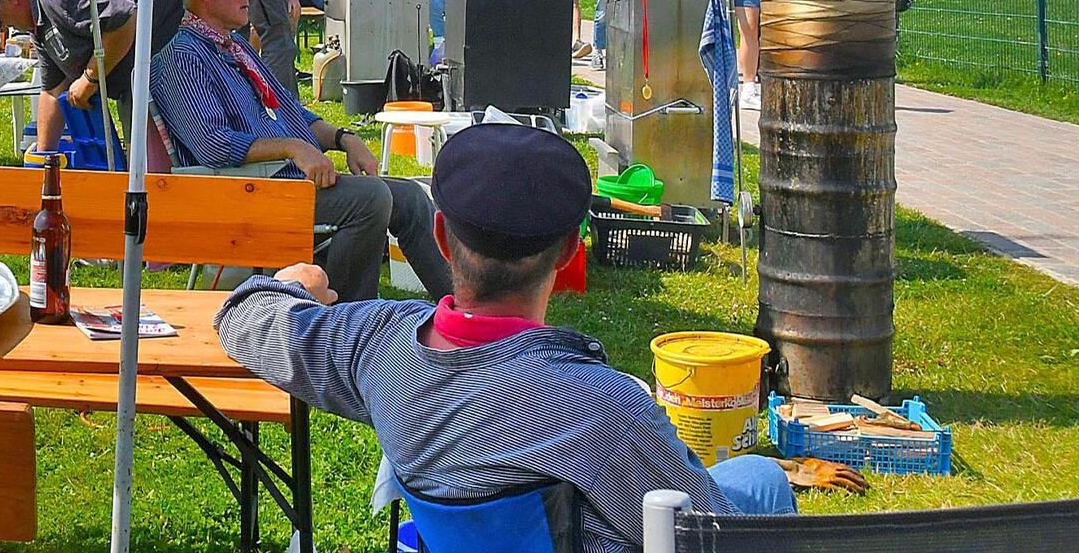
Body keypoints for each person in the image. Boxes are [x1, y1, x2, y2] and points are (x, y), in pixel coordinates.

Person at [216, 123, 864, 552]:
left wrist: (294, 283)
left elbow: (241, 318)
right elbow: (702, 530)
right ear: (565, 254)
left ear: (440, 239)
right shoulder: (606, 408)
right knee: (761, 482)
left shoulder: (376, 346)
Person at [152, 0, 453, 302]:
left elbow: (295, 114)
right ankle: (344, 323)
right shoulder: (182, 58)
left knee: (409, 197)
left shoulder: (236, 48)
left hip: (278, 185)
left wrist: (345, 138)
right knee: (370, 198)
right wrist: (294, 148)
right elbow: (213, 144)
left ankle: (466, 313)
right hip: (239, 196)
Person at [0, 0, 181, 167]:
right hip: (144, 39)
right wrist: (42, 161)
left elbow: (125, 20)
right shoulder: (39, 22)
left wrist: (89, 79)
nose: (3, 28)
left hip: (174, 3)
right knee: (134, 109)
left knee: (140, 118)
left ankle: (161, 191)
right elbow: (52, 91)